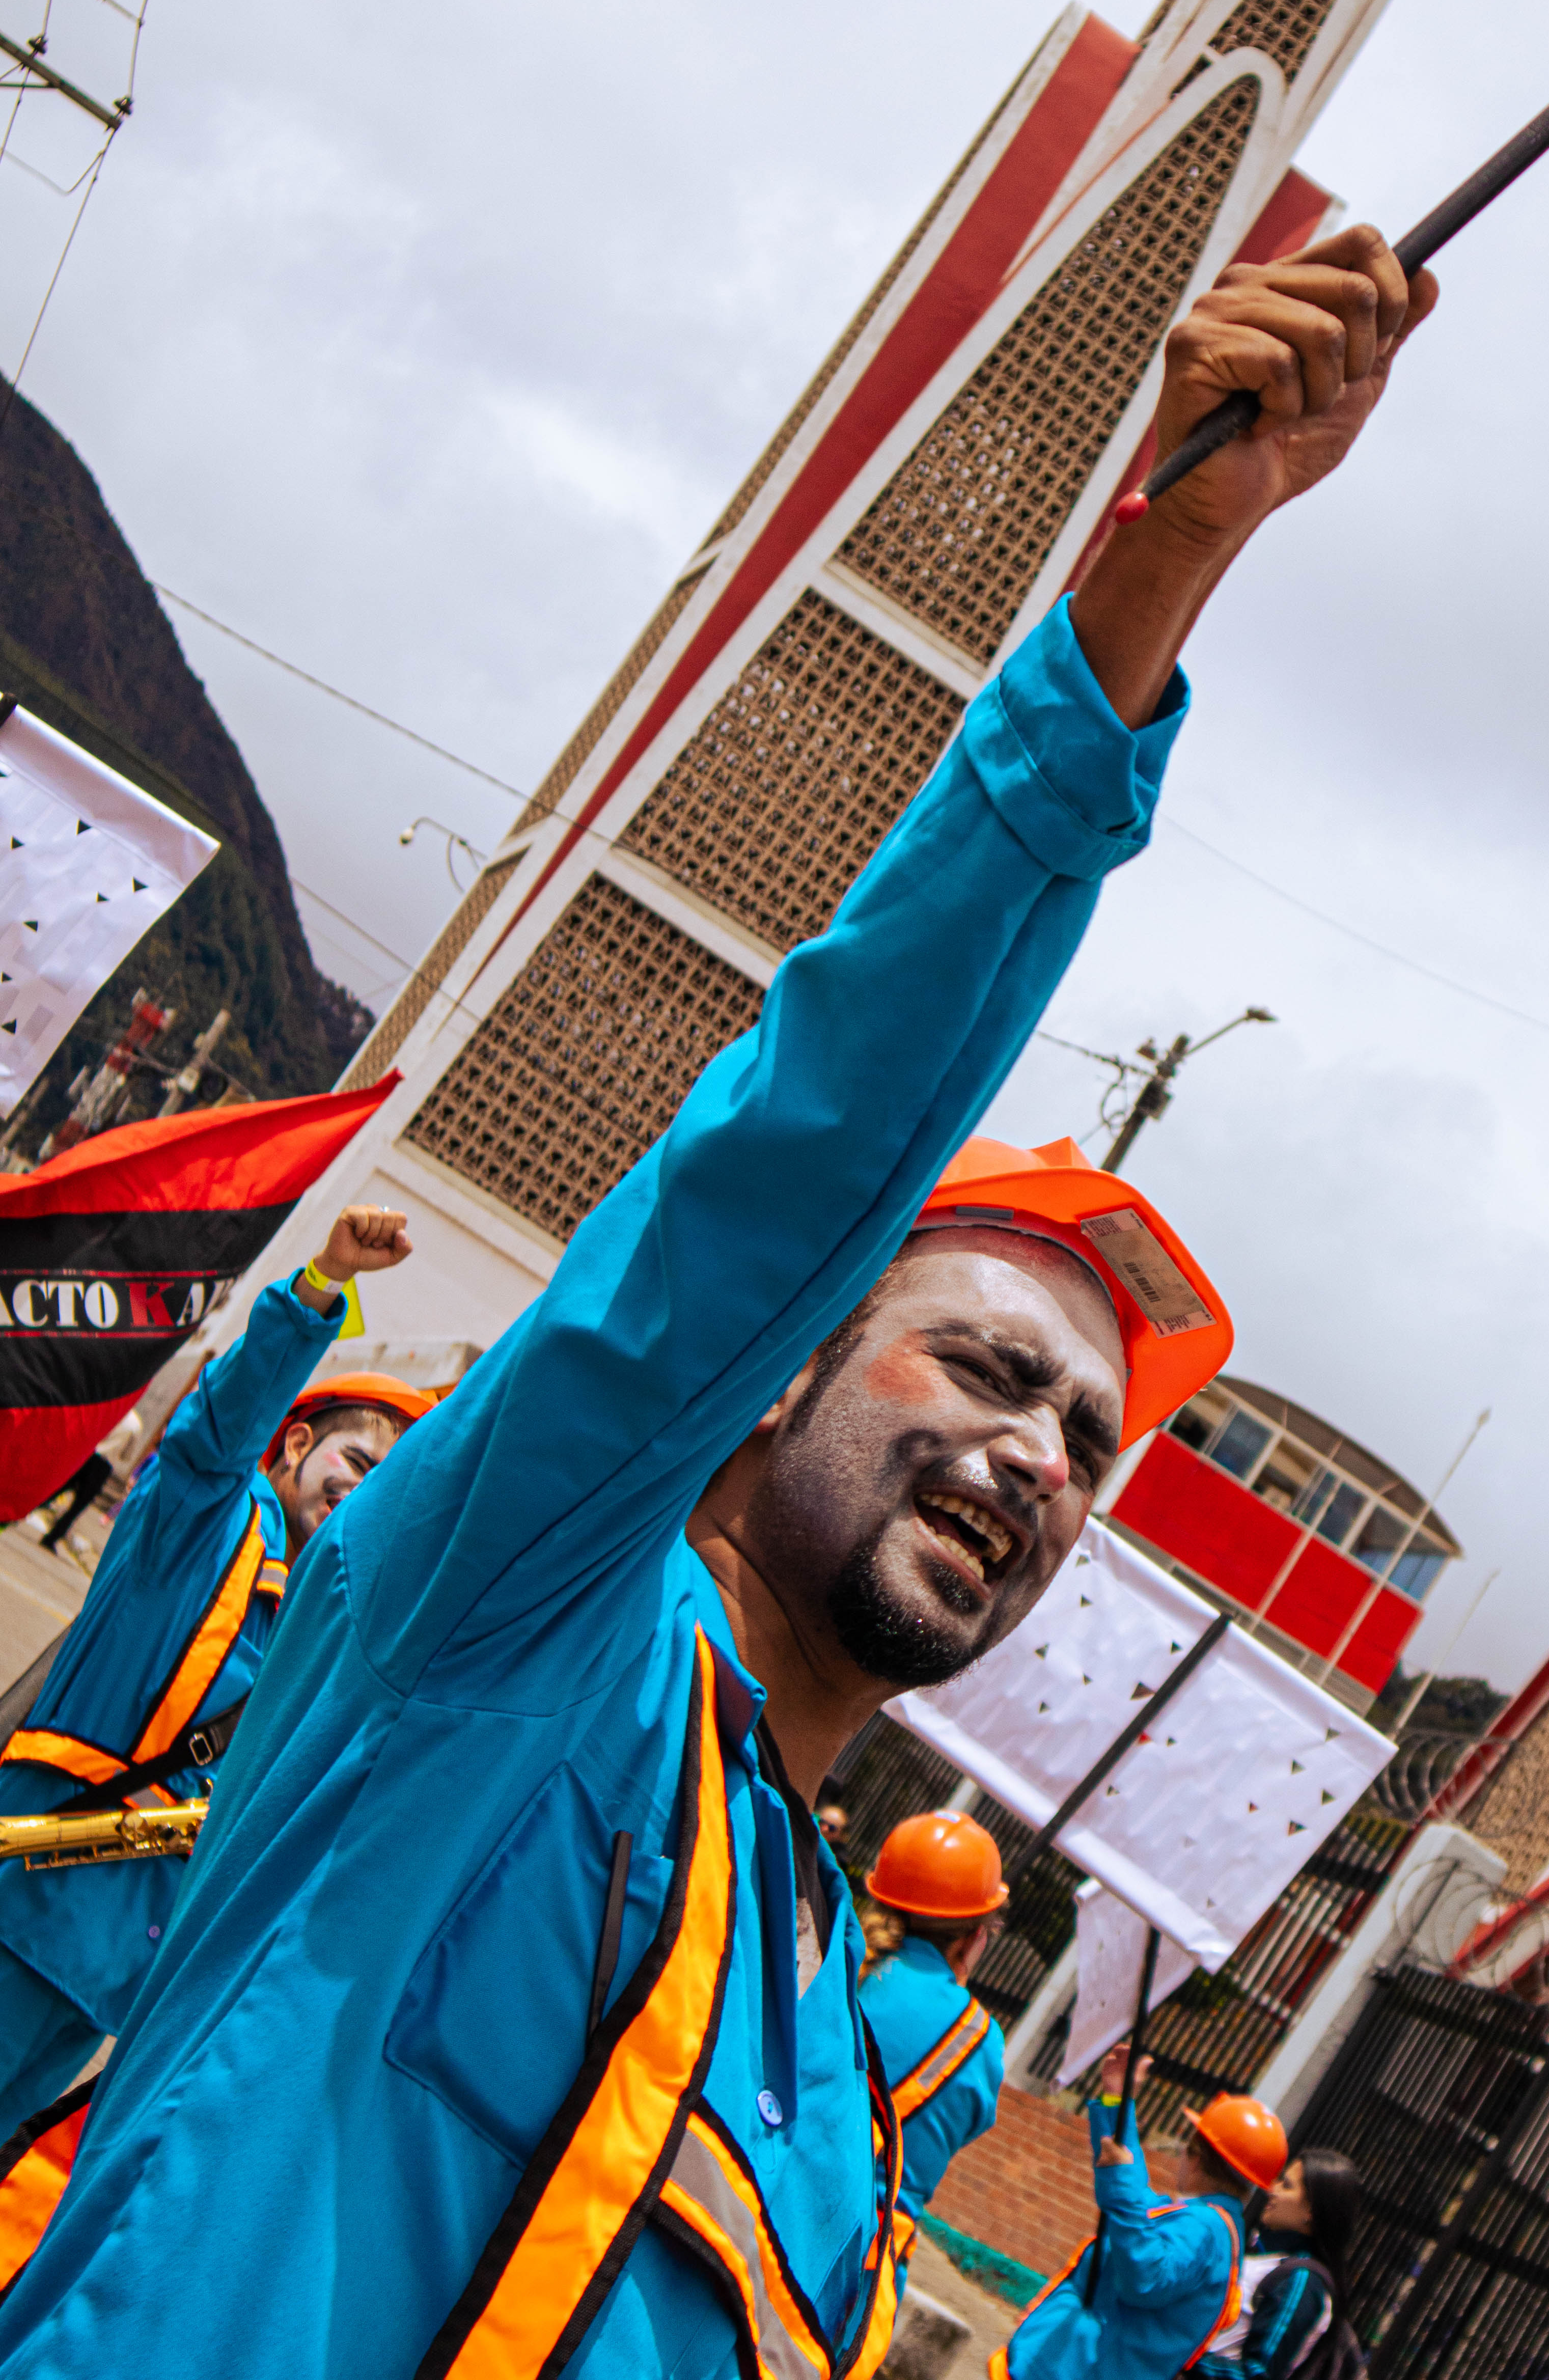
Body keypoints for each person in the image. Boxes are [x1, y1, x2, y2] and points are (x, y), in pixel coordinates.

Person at [0, 227, 1436, 2380]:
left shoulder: (831, 2049)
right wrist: (1143, 607)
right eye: (985, 1360)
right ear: (761, 1387)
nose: (1043, 1456)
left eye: (1088, 1444)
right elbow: (798, 1146)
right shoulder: (515, 1645)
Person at [0, 1207, 423, 2135]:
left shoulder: (333, 1644)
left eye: (387, 1485)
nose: (363, 1487)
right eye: (357, 1455)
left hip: (108, 1991)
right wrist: (322, 1285)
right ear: (296, 1445)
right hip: (23, 1899)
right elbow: (211, 1436)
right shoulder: (201, 1528)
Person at [999, 2046, 1289, 2380]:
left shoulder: (1205, 2228)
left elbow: (1145, 2276)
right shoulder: (1213, 2225)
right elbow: (1137, 2201)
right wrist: (1117, 2105)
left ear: (1195, 2156)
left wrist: (1120, 2184)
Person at [859, 1811, 1010, 2284]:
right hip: (858, 2267)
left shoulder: (829, 1955)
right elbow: (968, 2124)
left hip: (748, 2203)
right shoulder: (978, 2040)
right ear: (977, 1936)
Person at [1206, 2148, 1363, 2380]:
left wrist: (1187, 2359)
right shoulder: (1273, 2258)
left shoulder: (1303, 2280)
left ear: (1311, 2210)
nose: (1271, 2190)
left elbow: (1260, 2374)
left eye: (1286, 2186)